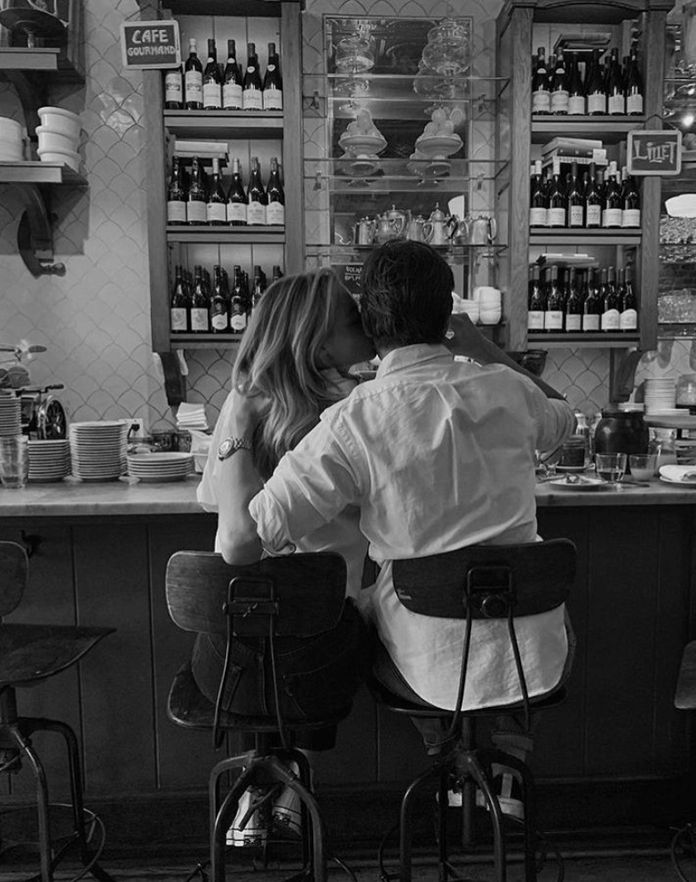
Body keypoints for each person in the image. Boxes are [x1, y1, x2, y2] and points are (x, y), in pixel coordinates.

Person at [216, 240, 576, 817]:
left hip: (425, 666)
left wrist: (234, 422)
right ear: (449, 311)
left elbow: (241, 543)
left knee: (369, 609)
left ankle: (444, 756)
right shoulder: (509, 391)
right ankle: (496, 764)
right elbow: (567, 418)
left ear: (371, 324)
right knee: (476, 609)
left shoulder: (352, 420)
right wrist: (481, 346)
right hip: (535, 657)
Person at [195, 268, 376, 845]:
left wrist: (240, 422)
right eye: (355, 320)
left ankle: (265, 781)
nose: (368, 327)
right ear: (318, 343)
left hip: (227, 669)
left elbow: (213, 506)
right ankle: (290, 778)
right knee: (331, 619)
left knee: (261, 623)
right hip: (321, 664)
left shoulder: (242, 408)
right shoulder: (356, 411)